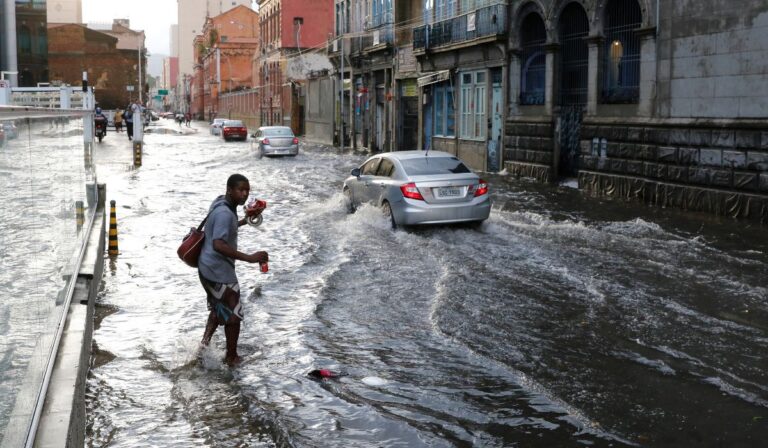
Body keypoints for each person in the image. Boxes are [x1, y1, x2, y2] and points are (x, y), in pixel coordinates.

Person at [198, 174, 268, 366]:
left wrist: (246, 220)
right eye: (240, 190)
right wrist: (250, 258)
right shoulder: (225, 213)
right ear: (229, 189)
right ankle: (231, 357)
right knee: (234, 313)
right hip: (218, 271)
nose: (244, 194)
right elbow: (219, 244)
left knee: (218, 307)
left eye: (247, 190)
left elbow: (224, 228)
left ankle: (203, 346)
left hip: (206, 268)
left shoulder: (221, 203)